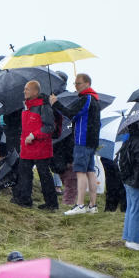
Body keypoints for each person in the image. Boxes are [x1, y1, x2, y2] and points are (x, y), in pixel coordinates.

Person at [50, 74, 101, 215]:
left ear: (87, 84)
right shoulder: (95, 99)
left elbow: (71, 114)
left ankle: (79, 205)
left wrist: (56, 103)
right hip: (91, 142)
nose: (76, 86)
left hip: (82, 141)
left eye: (78, 83)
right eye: (75, 83)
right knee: (90, 172)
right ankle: (92, 205)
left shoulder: (86, 99)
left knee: (80, 173)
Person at [11, 81, 59, 210]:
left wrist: (34, 135)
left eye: (27, 89)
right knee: (24, 173)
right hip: (27, 147)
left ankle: (51, 203)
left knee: (44, 175)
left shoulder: (44, 106)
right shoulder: (26, 105)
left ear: (35, 92)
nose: (24, 91)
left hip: (41, 147)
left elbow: (50, 127)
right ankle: (24, 199)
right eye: (25, 89)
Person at [119, 120, 139, 252]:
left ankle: (128, 237)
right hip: (136, 181)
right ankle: (133, 240)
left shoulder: (128, 141)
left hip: (127, 179)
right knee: (137, 211)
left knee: (131, 209)